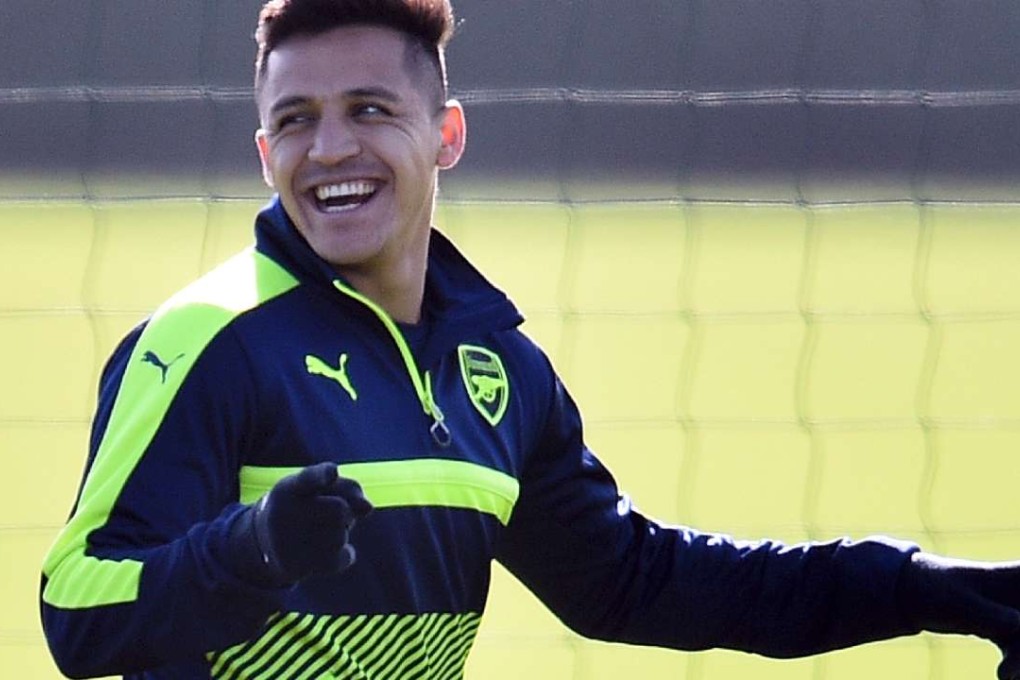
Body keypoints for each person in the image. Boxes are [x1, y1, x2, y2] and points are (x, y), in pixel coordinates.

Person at [39, 0, 1020, 678]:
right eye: (295, 120)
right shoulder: (209, 341)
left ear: (447, 136)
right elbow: (77, 608)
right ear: (264, 152)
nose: (330, 147)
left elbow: (641, 582)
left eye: (370, 110)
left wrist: (926, 588)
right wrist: (246, 548)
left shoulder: (497, 370)